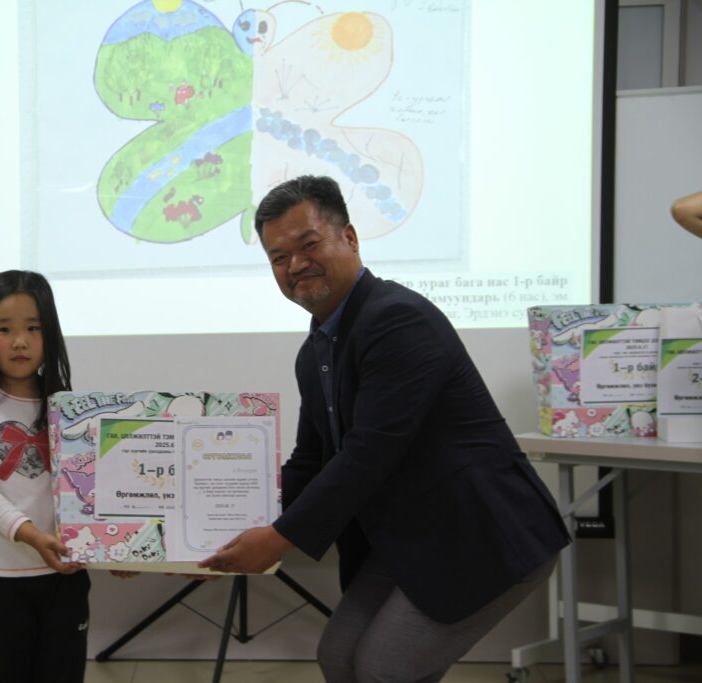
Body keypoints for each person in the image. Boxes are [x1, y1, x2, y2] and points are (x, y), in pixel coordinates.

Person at [199, 176, 570, 682]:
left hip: (481, 534)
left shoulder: (397, 319)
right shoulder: (316, 350)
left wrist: (279, 538)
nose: (295, 265)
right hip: (408, 538)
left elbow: (367, 455)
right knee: (338, 656)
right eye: (278, 257)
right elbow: (309, 463)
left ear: (350, 238)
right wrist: (208, 533)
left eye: (308, 245)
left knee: (383, 668)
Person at [0, 270, 89, 683]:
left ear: (50, 334)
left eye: (33, 328)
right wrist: (32, 536)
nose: (20, 341)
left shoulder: (70, 408)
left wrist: (113, 549)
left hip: (63, 574)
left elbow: (89, 488)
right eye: (4, 329)